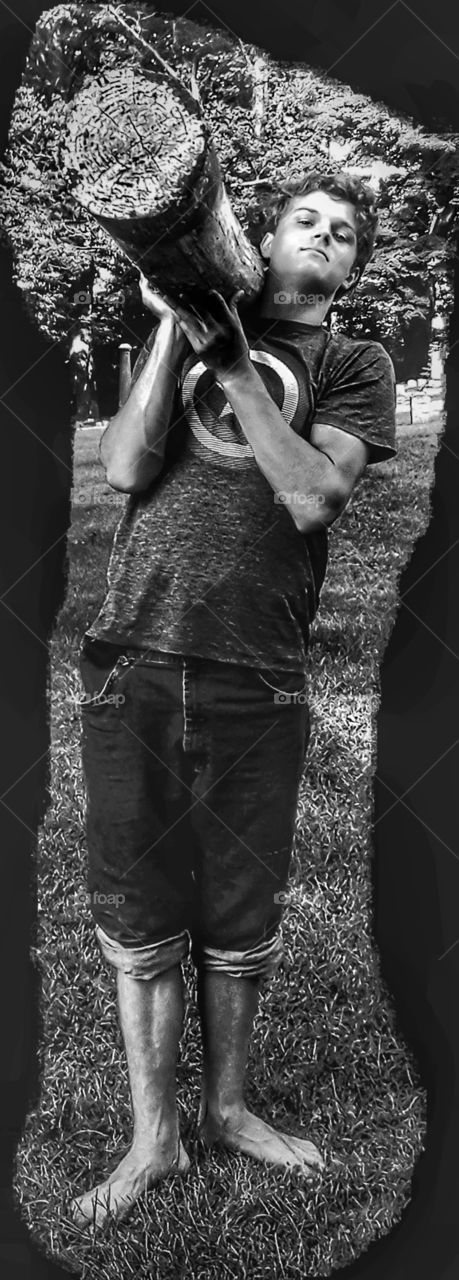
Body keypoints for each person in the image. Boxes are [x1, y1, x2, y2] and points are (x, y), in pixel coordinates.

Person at [73, 171, 397, 1226]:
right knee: (138, 900)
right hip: (133, 652)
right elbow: (124, 466)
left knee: (240, 906)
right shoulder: (198, 323)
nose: (326, 237)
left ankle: (231, 1106)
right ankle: (152, 1137)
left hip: (256, 669)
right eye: (307, 219)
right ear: (262, 235)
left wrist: (234, 367)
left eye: (346, 234)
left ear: (355, 265)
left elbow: (313, 493)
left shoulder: (354, 363)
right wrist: (180, 328)